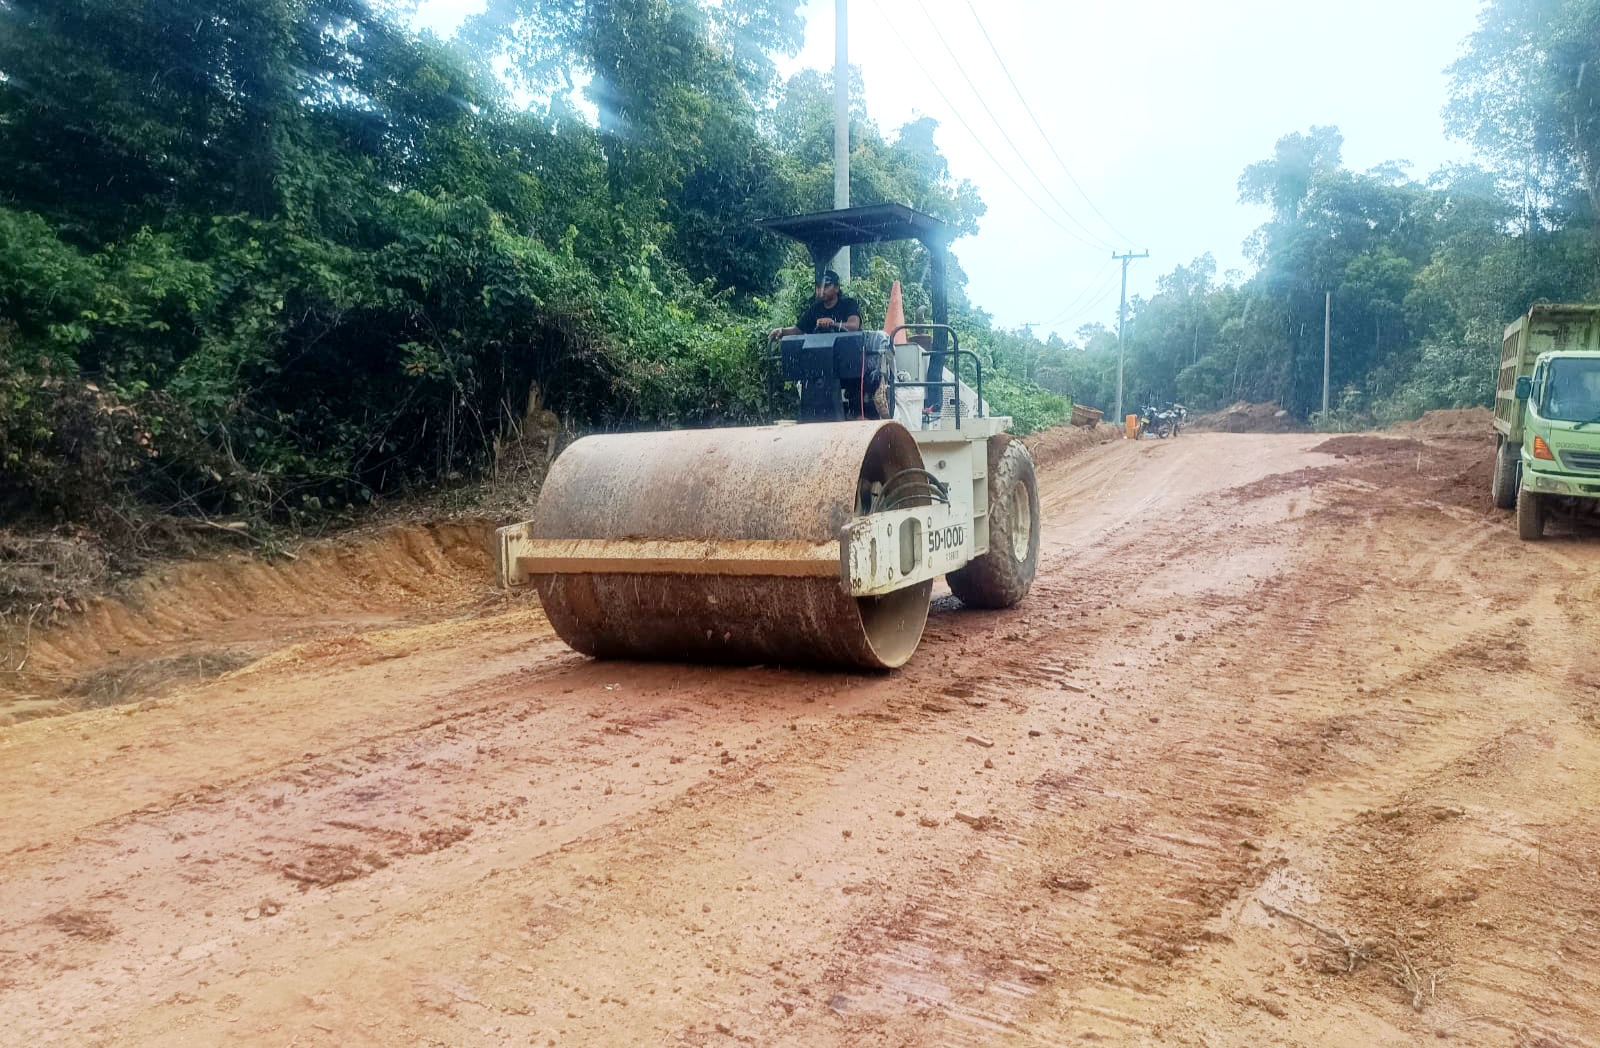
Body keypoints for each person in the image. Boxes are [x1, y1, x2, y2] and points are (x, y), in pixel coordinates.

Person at [769, 270, 862, 340]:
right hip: (822, 356)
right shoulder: (815, 309)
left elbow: (854, 326)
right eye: (818, 287)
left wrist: (833, 324)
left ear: (837, 288)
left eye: (826, 286)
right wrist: (782, 331)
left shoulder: (849, 304)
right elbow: (798, 330)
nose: (821, 290)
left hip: (848, 353)